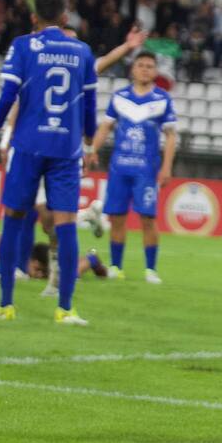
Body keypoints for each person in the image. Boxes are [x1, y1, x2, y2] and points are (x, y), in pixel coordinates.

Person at [0, 0, 98, 325]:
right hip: (66, 149)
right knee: (65, 225)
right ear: (65, 18)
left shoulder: (23, 46)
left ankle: (6, 305)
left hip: (28, 145)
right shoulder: (83, 51)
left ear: (34, 18)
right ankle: (65, 309)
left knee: (13, 219)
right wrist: (89, 144)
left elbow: (9, 94)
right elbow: (90, 106)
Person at [87, 50, 177, 284]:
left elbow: (170, 135)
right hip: (119, 168)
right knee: (117, 217)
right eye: (141, 65)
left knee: (147, 218)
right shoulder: (119, 97)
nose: (145, 69)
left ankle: (151, 270)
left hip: (146, 170)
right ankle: (116, 267)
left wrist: (166, 167)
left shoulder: (162, 99)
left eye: (149, 66)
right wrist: (92, 149)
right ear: (133, 70)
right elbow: (105, 127)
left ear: (155, 72)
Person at [0, 235, 106, 280]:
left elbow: (91, 259)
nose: (39, 274)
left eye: (43, 272)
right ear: (31, 261)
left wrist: (97, 266)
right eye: (38, 269)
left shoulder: (56, 272)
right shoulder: (11, 262)